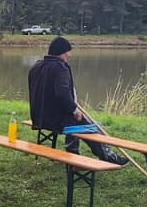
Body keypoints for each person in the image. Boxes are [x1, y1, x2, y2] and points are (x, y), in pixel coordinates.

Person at [27, 36, 125, 164]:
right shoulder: (60, 68)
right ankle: (109, 157)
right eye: (68, 51)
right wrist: (74, 110)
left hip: (39, 117)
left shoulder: (37, 66)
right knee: (91, 127)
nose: (70, 55)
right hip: (56, 120)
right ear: (61, 52)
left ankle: (73, 155)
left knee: (76, 122)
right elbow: (62, 94)